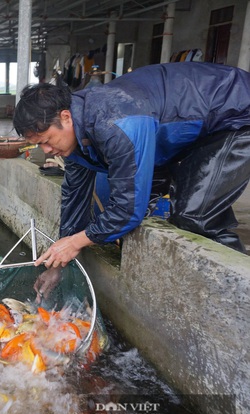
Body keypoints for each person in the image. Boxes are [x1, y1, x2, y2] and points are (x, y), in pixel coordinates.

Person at [13, 62, 250, 279]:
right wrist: (58, 263)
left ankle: (235, 289)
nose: (46, 150)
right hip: (178, 133)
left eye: (47, 140)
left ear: (65, 117)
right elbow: (75, 198)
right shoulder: (74, 139)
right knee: (144, 211)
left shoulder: (116, 124)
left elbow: (127, 210)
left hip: (235, 114)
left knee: (195, 213)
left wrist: (77, 242)